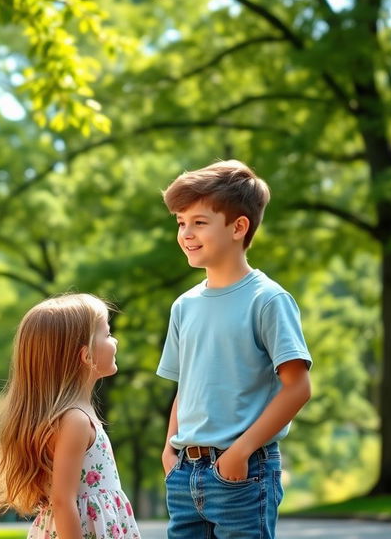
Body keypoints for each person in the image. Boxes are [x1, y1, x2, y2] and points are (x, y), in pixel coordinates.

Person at [157, 160, 312, 539]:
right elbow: (185, 387)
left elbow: (298, 387)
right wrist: (169, 451)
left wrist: (241, 451)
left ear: (238, 227)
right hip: (184, 475)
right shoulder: (184, 306)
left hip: (243, 473)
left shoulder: (268, 300)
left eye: (199, 222)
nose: (186, 234)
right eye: (181, 222)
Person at [0, 293, 141, 539]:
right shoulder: (75, 421)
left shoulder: (78, 415)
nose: (115, 341)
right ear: (86, 356)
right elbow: (63, 501)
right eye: (107, 333)